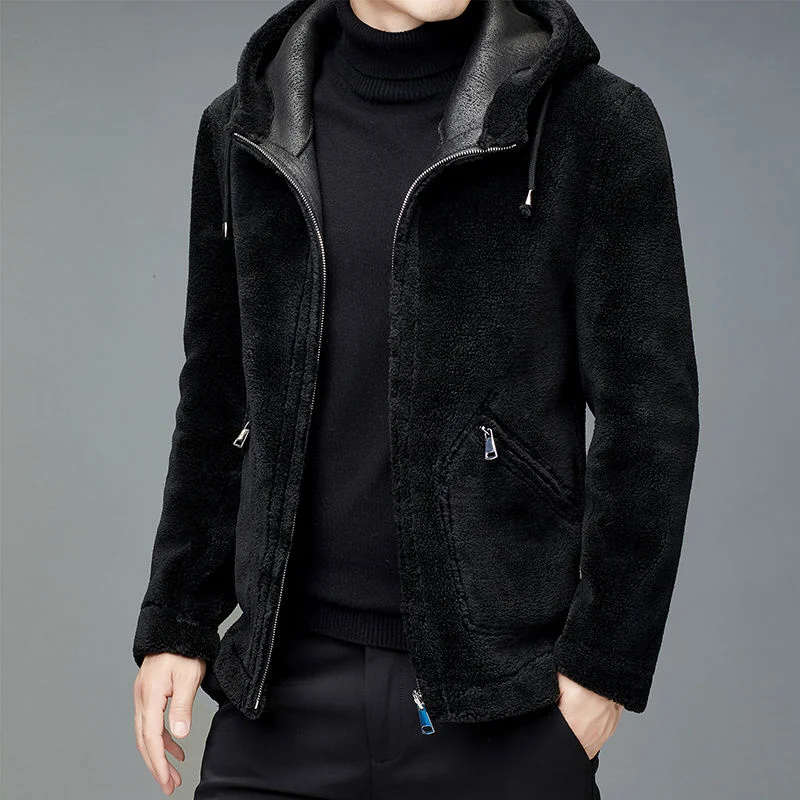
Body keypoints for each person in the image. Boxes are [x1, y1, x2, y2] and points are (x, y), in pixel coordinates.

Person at [131, 0, 700, 797]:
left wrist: (602, 667)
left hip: (501, 701)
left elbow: (651, 418)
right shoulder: (245, 128)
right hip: (282, 694)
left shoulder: (592, 123)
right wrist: (179, 621)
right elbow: (218, 397)